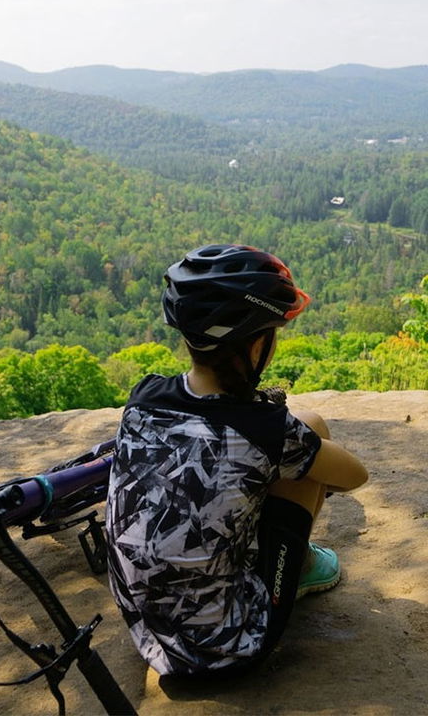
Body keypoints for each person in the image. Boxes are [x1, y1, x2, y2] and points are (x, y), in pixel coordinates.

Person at [105, 244, 368, 679]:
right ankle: (296, 566)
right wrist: (303, 462)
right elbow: (356, 475)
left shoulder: (144, 398)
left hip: (149, 635)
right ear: (257, 345)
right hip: (230, 649)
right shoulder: (265, 430)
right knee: (311, 431)